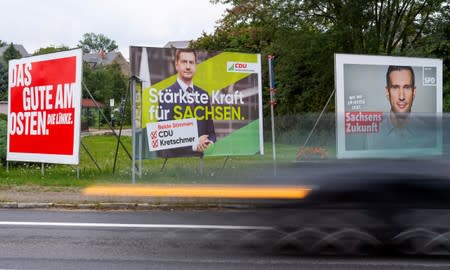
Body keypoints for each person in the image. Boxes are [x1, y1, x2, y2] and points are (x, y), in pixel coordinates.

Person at [157, 48, 216, 158]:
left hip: (201, 159)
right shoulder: (166, 94)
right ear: (176, 65)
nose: (188, 67)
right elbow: (165, 135)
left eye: (191, 62)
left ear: (195, 66)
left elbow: (211, 132)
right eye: (184, 62)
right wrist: (194, 145)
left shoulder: (203, 95)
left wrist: (209, 143)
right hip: (176, 160)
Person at [367, 65, 435, 149]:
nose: (401, 96)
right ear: (387, 92)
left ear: (414, 92)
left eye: (407, 87)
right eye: (395, 87)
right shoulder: (373, 136)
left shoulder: (427, 133)